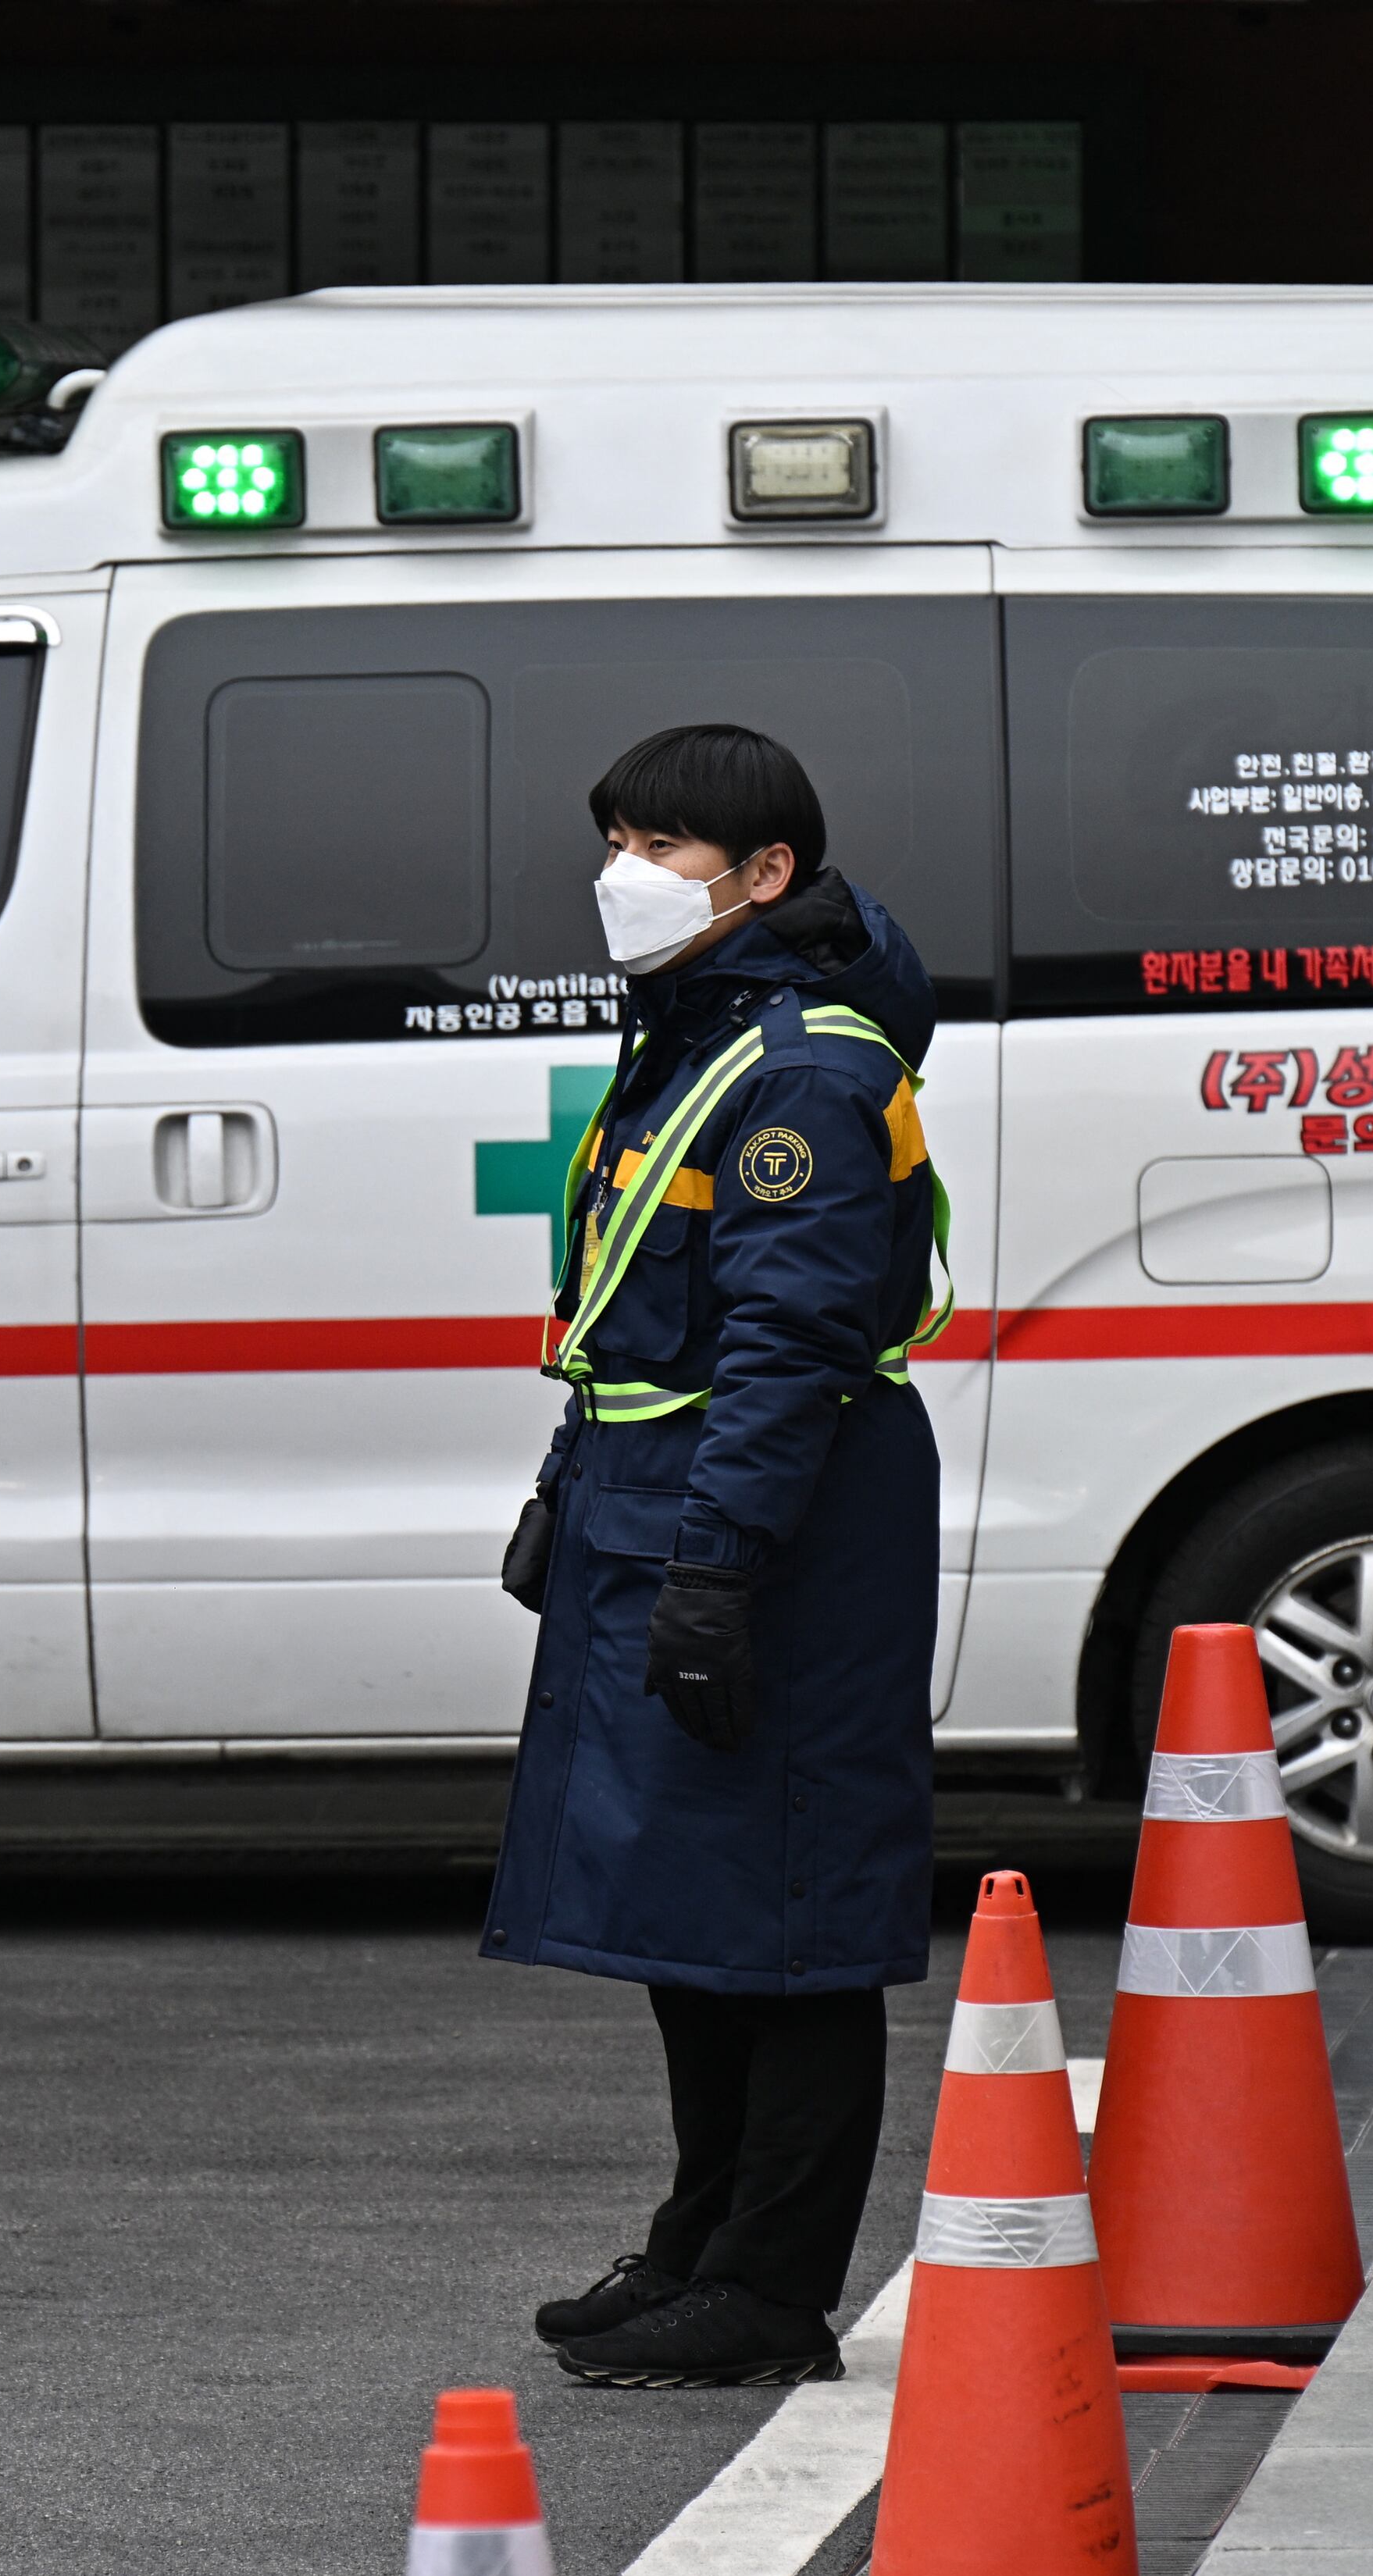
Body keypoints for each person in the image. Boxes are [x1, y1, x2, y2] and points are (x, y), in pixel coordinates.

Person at [482, 722, 943, 2390]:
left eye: (665, 846)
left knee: (791, 1907)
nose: (626, 871)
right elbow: (628, 1294)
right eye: (617, 834)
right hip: (656, 1480)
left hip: (776, 1514)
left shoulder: (802, 1070)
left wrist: (718, 1563)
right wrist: (570, 1476)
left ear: (764, 876)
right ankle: (699, 2236)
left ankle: (764, 2282)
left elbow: (789, 1342)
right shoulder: (691, 1033)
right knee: (690, 1902)